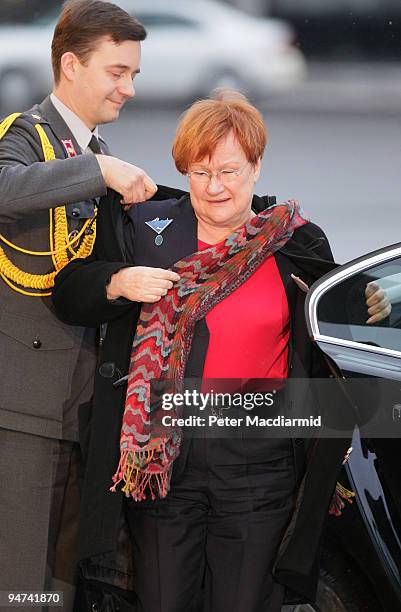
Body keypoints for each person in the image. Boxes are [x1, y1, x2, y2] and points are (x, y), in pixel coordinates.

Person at [53, 91, 352, 612]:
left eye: (230, 171)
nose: (215, 187)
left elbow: (338, 331)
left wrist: (362, 304)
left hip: (259, 463)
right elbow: (71, 291)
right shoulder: (144, 228)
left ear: (257, 167)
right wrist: (119, 280)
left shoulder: (295, 243)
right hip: (162, 463)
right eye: (199, 172)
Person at [0, 1, 167, 609]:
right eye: (116, 72)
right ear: (70, 65)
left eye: (134, 75)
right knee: (19, 591)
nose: (127, 88)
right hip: (18, 411)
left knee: (58, 594)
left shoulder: (92, 151)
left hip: (78, 412)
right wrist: (97, 169)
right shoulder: (27, 134)